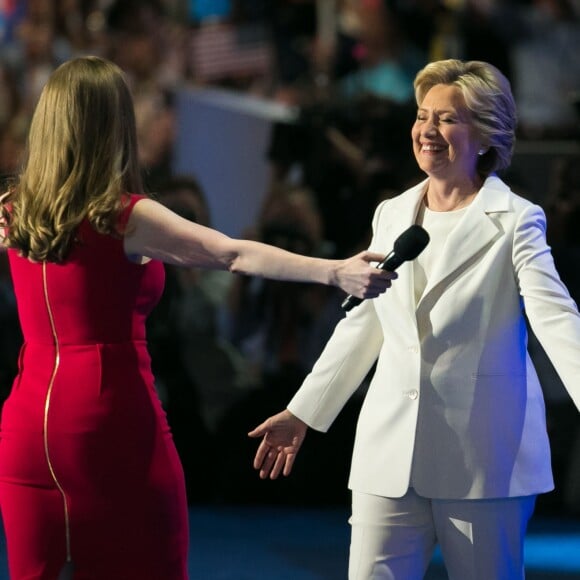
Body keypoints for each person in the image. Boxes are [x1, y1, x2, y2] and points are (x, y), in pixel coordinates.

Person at [0, 55, 396, 580]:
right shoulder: (126, 216)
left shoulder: (13, 209)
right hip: (107, 415)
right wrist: (333, 271)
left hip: (25, 422)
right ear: (115, 126)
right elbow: (231, 254)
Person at [249, 58, 580, 580]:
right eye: (422, 115)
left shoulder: (517, 219)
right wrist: (304, 411)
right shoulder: (392, 214)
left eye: (447, 119)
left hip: (482, 460)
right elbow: (364, 323)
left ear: (487, 133)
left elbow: (556, 320)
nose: (428, 130)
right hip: (389, 451)